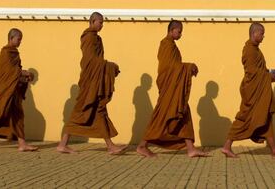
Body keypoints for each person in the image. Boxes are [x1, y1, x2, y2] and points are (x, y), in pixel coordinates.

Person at [57, 12, 126, 155]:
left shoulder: (97, 38)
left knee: (100, 110)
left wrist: (107, 69)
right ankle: (63, 145)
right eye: (100, 22)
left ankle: (110, 146)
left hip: (95, 80)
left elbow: (96, 60)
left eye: (103, 23)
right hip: (89, 81)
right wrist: (110, 66)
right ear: (93, 21)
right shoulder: (88, 37)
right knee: (80, 112)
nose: (102, 25)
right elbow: (90, 61)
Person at [137, 20, 207, 158]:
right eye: (179, 31)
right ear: (172, 30)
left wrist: (185, 68)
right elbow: (168, 68)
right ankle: (142, 145)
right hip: (168, 88)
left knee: (184, 112)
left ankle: (190, 148)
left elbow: (175, 66)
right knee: (161, 117)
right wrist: (188, 67)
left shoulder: (172, 46)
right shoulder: (166, 45)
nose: (181, 34)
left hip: (174, 88)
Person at [222, 23, 275, 159]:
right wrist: (268, 76)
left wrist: (271, 75)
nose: (263, 36)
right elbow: (251, 72)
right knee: (245, 118)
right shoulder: (249, 50)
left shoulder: (256, 50)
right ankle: (226, 146)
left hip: (258, 89)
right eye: (261, 33)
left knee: (265, 118)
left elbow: (259, 71)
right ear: (254, 33)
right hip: (252, 91)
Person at [0, 28, 37, 152]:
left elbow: (16, 70)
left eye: (21, 40)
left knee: (18, 116)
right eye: (19, 39)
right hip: (5, 89)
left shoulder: (15, 53)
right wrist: (23, 72)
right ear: (11, 38)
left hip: (13, 89)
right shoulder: (5, 52)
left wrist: (24, 76)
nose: (20, 42)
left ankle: (22, 144)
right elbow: (9, 71)